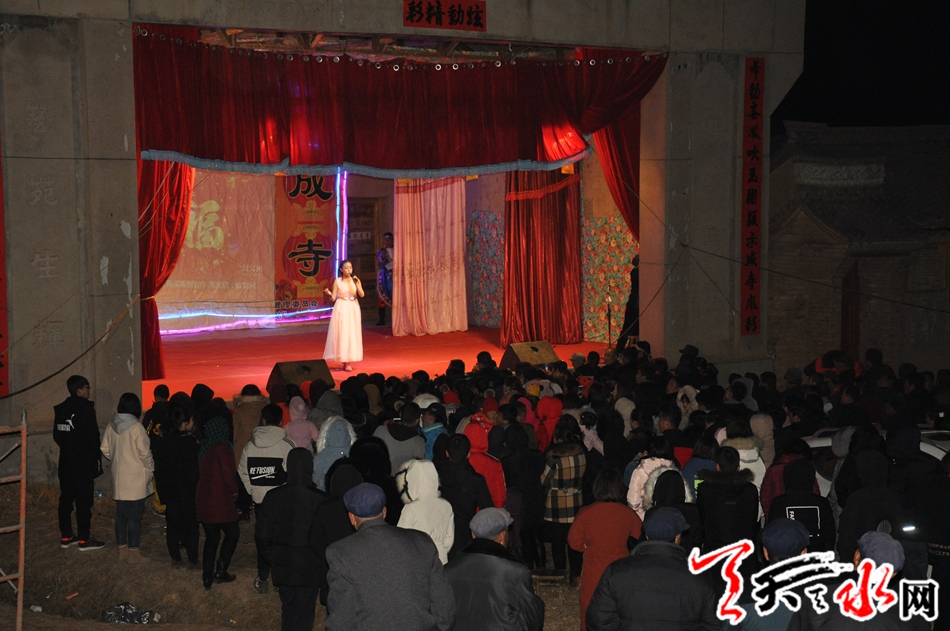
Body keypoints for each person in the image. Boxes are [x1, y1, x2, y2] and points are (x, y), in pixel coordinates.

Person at [325, 482, 456, 631]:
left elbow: (341, 619)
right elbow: (444, 606)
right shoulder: (422, 541)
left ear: (352, 518)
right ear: (384, 511)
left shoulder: (341, 552)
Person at [586, 507, 719, 631]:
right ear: (678, 537)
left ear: (647, 536)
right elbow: (711, 625)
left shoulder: (616, 571)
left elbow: (598, 621)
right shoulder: (701, 577)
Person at [258, 448, 327, 631]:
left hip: (283, 568)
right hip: (310, 569)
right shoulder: (321, 499)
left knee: (288, 612)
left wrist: (274, 559)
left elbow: (262, 535)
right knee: (304, 616)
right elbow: (325, 538)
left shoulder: (273, 496)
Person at [444, 508, 545, 631]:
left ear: (473, 535)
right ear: (502, 536)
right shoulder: (516, 572)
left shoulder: (449, 569)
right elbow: (532, 619)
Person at [568, 469, 642, 631]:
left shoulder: (586, 513)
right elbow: (640, 535)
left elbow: (573, 542)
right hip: (620, 568)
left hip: (593, 567)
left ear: (597, 488)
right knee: (619, 608)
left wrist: (586, 547)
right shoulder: (627, 513)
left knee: (589, 607)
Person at [238, 403, 297, 594]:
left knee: (262, 540)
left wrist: (253, 491)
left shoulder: (249, 446)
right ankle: (281, 579)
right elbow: (294, 473)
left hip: (261, 503)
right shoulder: (288, 445)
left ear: (263, 420)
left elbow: (243, 471)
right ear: (281, 421)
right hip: (282, 504)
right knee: (281, 541)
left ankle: (263, 578)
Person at [100, 392, 154, 564]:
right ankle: (134, 552)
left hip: (120, 476)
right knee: (135, 517)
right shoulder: (136, 428)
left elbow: (104, 448)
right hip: (136, 477)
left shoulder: (112, 425)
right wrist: (150, 468)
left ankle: (122, 549)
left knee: (121, 516)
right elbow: (145, 453)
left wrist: (116, 459)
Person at [53, 375, 105, 551]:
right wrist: (94, 457)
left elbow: (57, 436)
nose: (89, 391)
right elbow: (93, 436)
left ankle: (66, 535)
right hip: (82, 464)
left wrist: (69, 447)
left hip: (66, 463)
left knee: (66, 500)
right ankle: (84, 539)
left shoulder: (61, 408)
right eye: (87, 387)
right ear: (79, 390)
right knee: (83, 502)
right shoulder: (85, 408)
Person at [196, 415, 241, 590]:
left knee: (212, 537)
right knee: (232, 533)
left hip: (204, 498)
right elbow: (228, 474)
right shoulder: (222, 447)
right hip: (220, 499)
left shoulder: (204, 447)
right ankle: (221, 570)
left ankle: (207, 575)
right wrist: (235, 491)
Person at [541, 417, 586, 584]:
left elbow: (544, 480)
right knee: (575, 540)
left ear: (558, 439)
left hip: (556, 504)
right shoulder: (581, 454)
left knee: (558, 542)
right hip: (576, 501)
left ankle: (559, 574)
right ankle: (576, 575)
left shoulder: (554, 458)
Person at [155, 403, 200, 569]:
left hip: (170, 491)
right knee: (191, 526)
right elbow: (193, 471)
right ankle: (193, 560)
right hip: (186, 492)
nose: (193, 423)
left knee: (173, 525)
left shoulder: (163, 440)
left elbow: (159, 468)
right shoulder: (188, 443)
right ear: (184, 423)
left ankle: (175, 558)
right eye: (191, 421)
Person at [436, 434, 495, 560]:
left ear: (447, 453)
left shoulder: (435, 477)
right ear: (469, 454)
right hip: (465, 537)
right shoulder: (476, 480)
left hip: (439, 535)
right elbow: (488, 510)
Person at [396, 458, 455, 564]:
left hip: (418, 558)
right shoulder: (446, 505)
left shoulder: (411, 508)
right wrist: (441, 549)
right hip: (441, 557)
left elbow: (402, 539)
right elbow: (449, 538)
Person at [323, 259, 364, 372]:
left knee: (352, 332)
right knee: (343, 332)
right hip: (342, 306)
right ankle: (345, 361)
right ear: (341, 269)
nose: (349, 270)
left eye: (350, 268)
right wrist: (329, 293)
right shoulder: (337, 281)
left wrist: (358, 284)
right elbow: (333, 298)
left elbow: (361, 294)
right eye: (346, 268)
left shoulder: (355, 280)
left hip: (353, 307)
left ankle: (349, 357)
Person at [373, 402, 427, 475]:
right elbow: (420, 468)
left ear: (400, 414)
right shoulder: (418, 442)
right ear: (417, 420)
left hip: (379, 478)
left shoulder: (380, 430)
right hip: (402, 481)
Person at [376, 232, 394, 326]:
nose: (388, 241)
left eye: (389, 239)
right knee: (382, 295)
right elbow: (380, 262)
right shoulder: (381, 251)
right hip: (385, 274)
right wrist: (384, 250)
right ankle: (381, 319)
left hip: (395, 274)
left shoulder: (397, 250)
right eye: (385, 239)